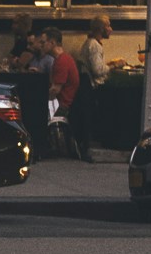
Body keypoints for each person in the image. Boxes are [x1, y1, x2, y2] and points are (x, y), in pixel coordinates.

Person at [73, 17, 111, 159]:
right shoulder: (94, 46)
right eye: (108, 25)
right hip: (91, 88)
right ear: (100, 29)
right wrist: (113, 66)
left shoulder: (90, 43)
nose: (111, 29)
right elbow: (97, 70)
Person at [47, 26, 82, 158]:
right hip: (66, 102)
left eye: (43, 43)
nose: (41, 46)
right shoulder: (65, 59)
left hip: (62, 105)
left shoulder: (61, 61)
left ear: (52, 43)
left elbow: (55, 90)